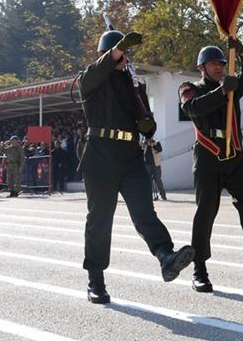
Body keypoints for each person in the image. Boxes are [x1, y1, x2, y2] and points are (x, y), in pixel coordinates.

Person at [79, 30, 194, 304]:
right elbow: (99, 70)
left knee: (144, 212)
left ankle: (166, 256)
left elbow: (148, 122)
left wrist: (147, 124)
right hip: (100, 155)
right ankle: (96, 278)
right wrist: (116, 50)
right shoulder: (90, 79)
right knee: (100, 219)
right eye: (119, 52)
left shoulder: (133, 84)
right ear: (106, 54)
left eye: (126, 52)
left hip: (130, 155)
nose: (124, 56)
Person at [179, 39, 243, 294]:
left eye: (222, 62)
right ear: (201, 66)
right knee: (205, 212)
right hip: (208, 159)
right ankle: (199, 270)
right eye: (213, 63)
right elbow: (193, 108)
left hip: (234, 157)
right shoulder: (190, 88)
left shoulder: (232, 85)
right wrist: (222, 91)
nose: (219, 67)